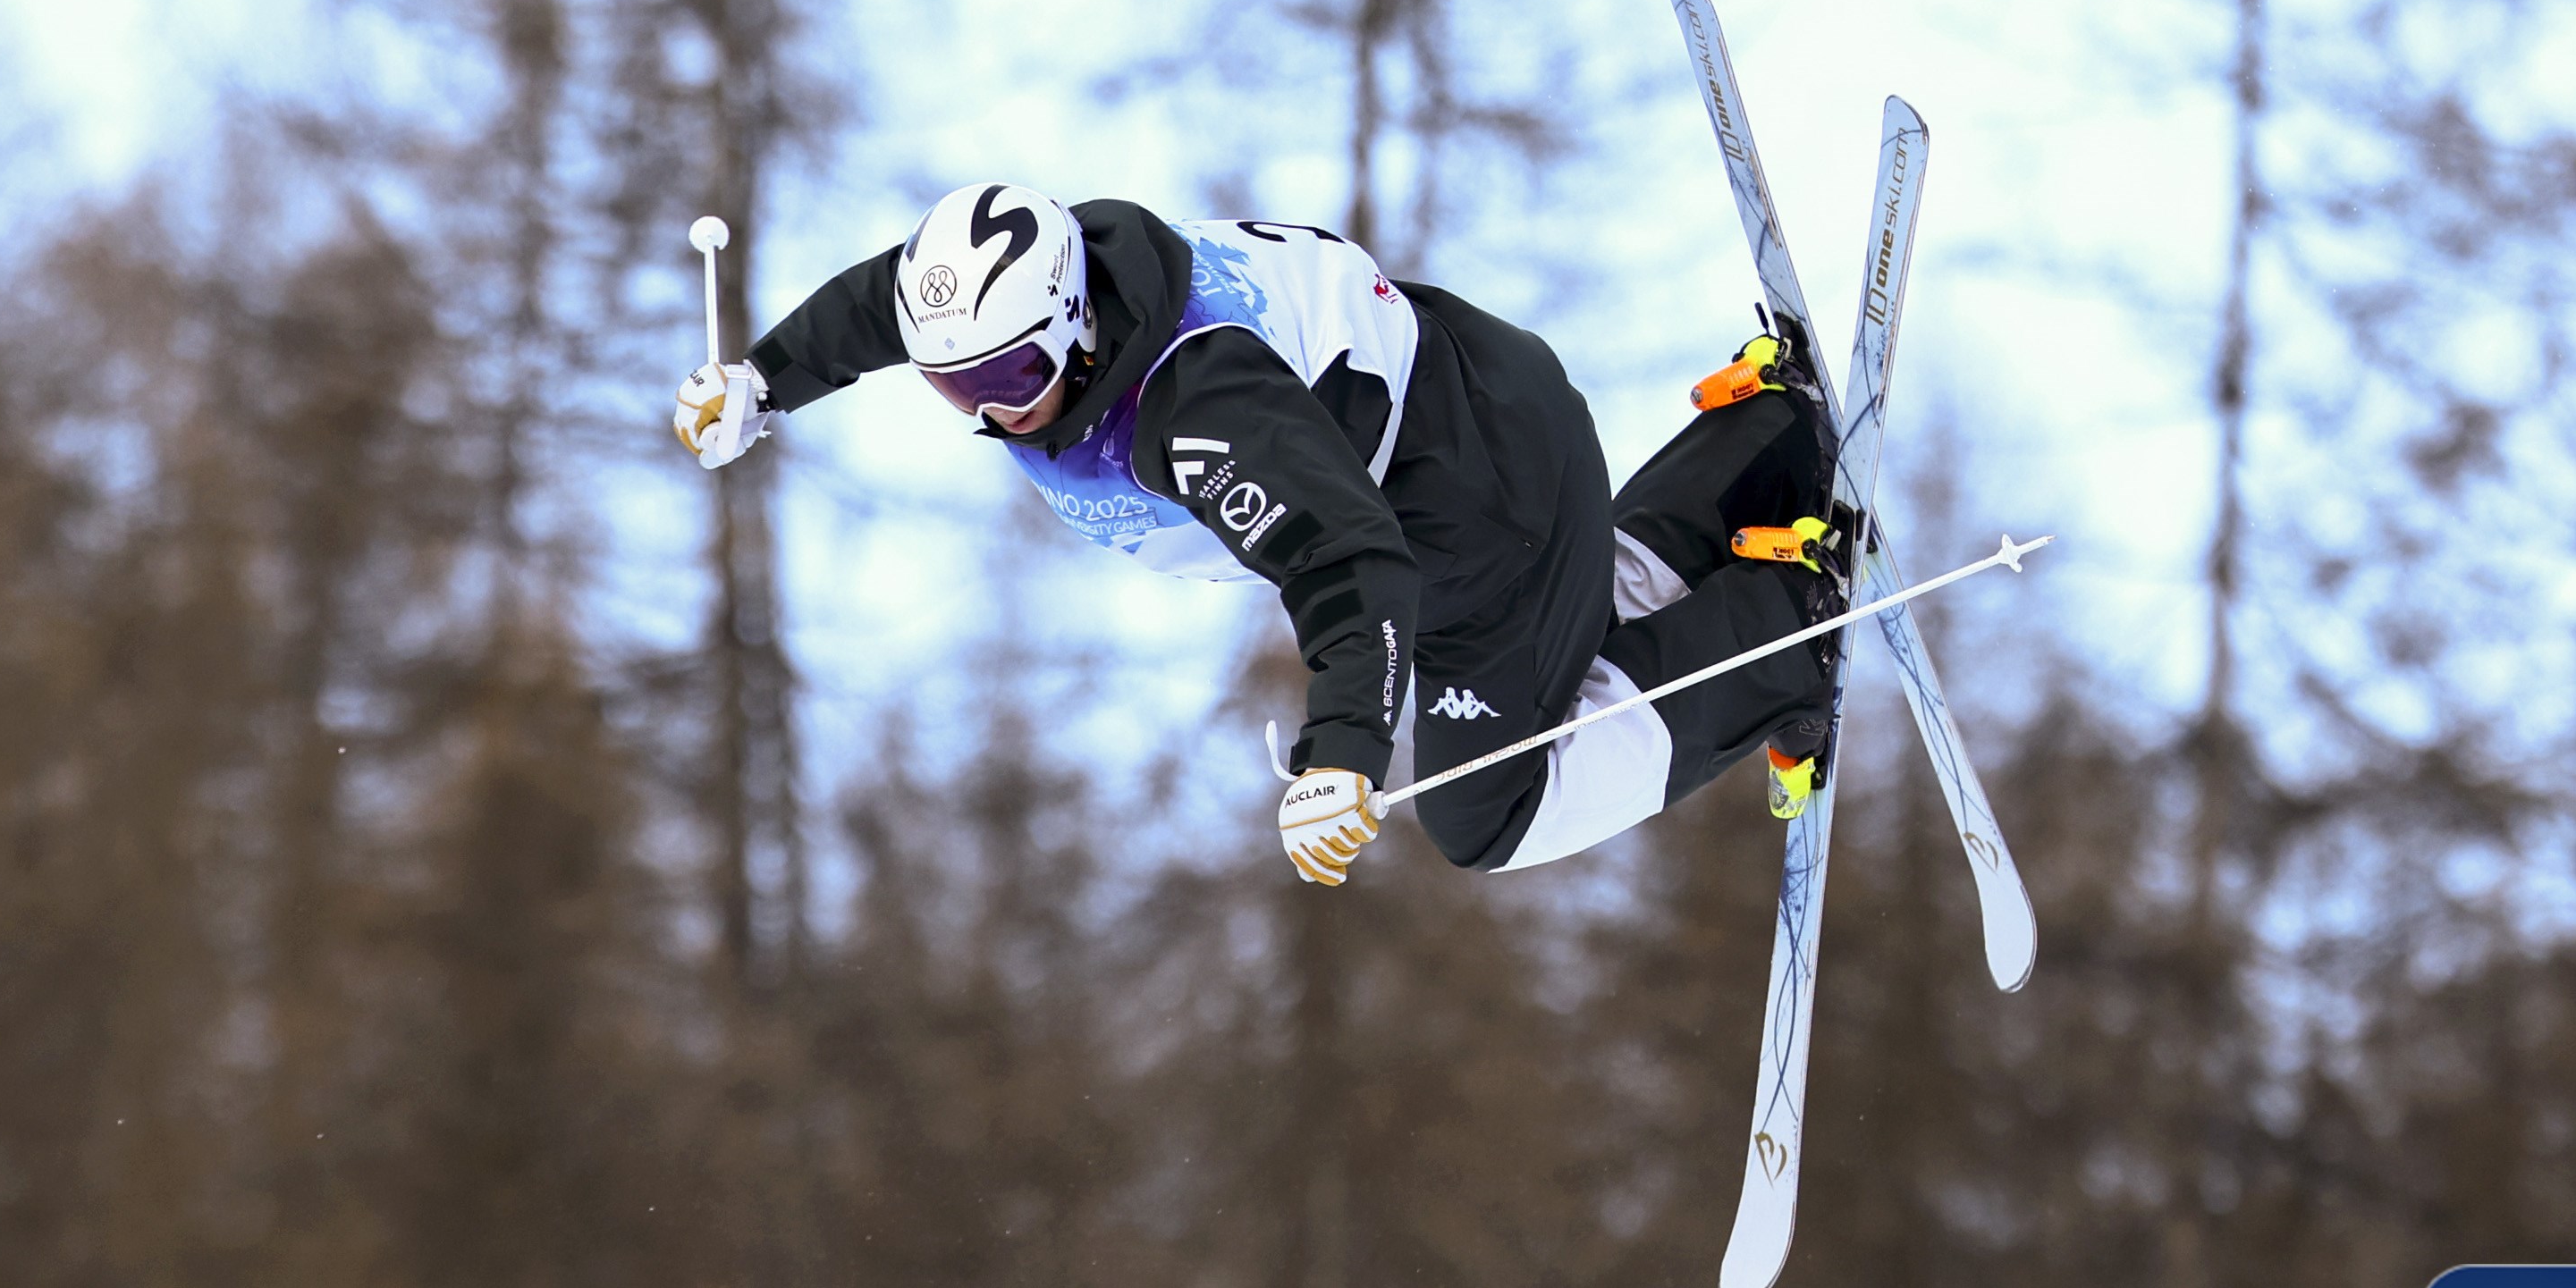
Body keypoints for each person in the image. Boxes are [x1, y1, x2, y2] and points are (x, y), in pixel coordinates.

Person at [674, 181, 1841, 886]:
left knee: (1491, 807)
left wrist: (1343, 754)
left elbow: (1345, 564)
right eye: (954, 388)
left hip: (1468, 520)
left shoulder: (1193, 410)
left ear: (1072, 324)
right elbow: (889, 301)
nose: (990, 411)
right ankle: (1765, 445)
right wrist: (763, 381)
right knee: (1552, 635)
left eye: (1013, 374)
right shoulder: (1063, 272)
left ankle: (1793, 633)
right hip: (1488, 400)